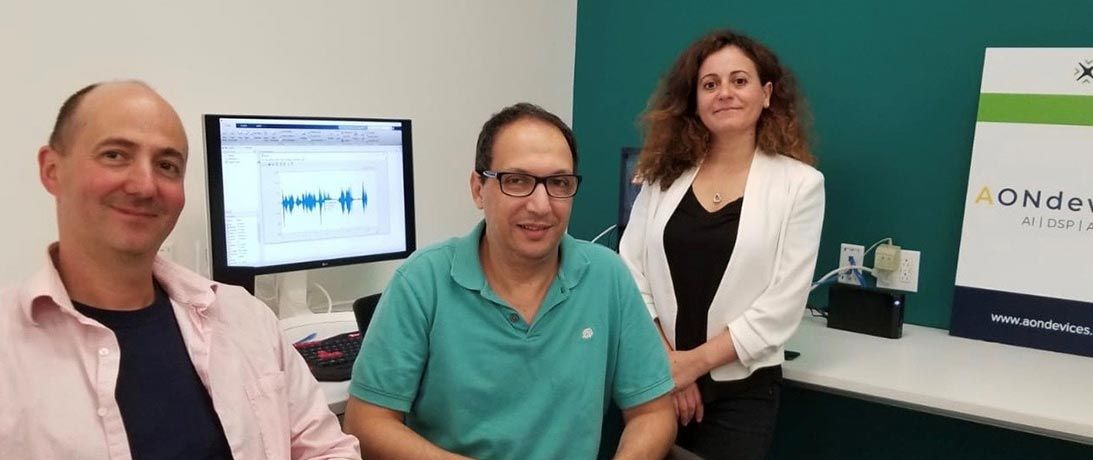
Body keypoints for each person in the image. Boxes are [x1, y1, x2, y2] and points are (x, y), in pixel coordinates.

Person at [0, 81, 360, 459]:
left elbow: (326, 448)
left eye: (167, 165)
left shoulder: (245, 319)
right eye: (115, 155)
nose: (144, 185)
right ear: (52, 169)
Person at [344, 103, 677, 460]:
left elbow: (653, 412)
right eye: (517, 181)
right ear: (478, 189)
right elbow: (366, 422)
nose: (540, 204)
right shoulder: (422, 282)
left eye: (559, 183)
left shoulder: (607, 277)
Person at [619, 30, 826, 460]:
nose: (724, 93)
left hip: (741, 392)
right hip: (656, 380)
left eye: (739, 81)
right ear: (695, 100)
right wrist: (668, 367)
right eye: (710, 84)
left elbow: (781, 308)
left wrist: (687, 367)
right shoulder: (664, 176)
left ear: (766, 94)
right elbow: (631, 271)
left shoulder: (800, 186)